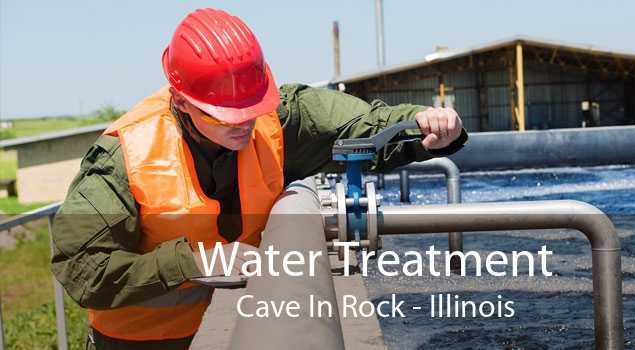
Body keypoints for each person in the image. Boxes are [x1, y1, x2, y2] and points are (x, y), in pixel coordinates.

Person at [51, 8, 467, 349]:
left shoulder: (278, 118)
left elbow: (364, 125)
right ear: (181, 101)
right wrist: (194, 262)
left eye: (252, 108)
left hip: (239, 322)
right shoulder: (124, 157)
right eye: (227, 116)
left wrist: (425, 127)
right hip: (138, 343)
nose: (244, 125)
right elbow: (81, 268)